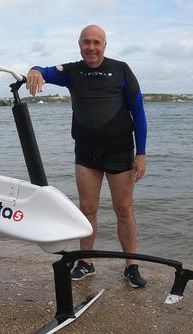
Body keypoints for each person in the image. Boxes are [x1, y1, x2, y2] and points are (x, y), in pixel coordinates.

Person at [26, 24, 148, 288]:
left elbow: (139, 113)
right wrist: (34, 71)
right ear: (79, 44)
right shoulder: (72, 71)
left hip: (119, 151)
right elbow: (43, 70)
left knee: (124, 209)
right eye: (86, 42)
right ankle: (87, 262)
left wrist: (142, 154)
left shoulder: (121, 70)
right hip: (86, 153)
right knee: (87, 209)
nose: (91, 47)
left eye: (96, 42)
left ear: (105, 46)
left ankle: (131, 265)